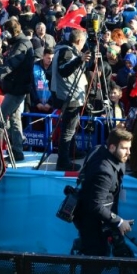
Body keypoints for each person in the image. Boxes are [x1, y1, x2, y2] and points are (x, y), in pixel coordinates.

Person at [72, 128, 134, 274]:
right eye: (124, 149)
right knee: (95, 263)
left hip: (88, 218)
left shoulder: (99, 150)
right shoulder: (104, 171)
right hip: (92, 222)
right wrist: (119, 221)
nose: (128, 153)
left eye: (129, 148)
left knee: (91, 260)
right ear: (112, 146)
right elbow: (95, 206)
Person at [0, 18, 34, 162]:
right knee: (14, 120)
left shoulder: (21, 45)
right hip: (16, 87)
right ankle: (17, 150)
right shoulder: (21, 43)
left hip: (17, 88)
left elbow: (11, 64)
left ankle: (14, 143)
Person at [51, 27, 90, 171]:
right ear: (79, 41)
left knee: (70, 127)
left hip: (68, 94)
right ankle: (63, 162)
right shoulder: (66, 51)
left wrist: (81, 59)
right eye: (83, 43)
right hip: (68, 95)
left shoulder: (67, 50)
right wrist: (79, 59)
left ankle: (72, 151)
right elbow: (64, 70)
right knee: (67, 130)